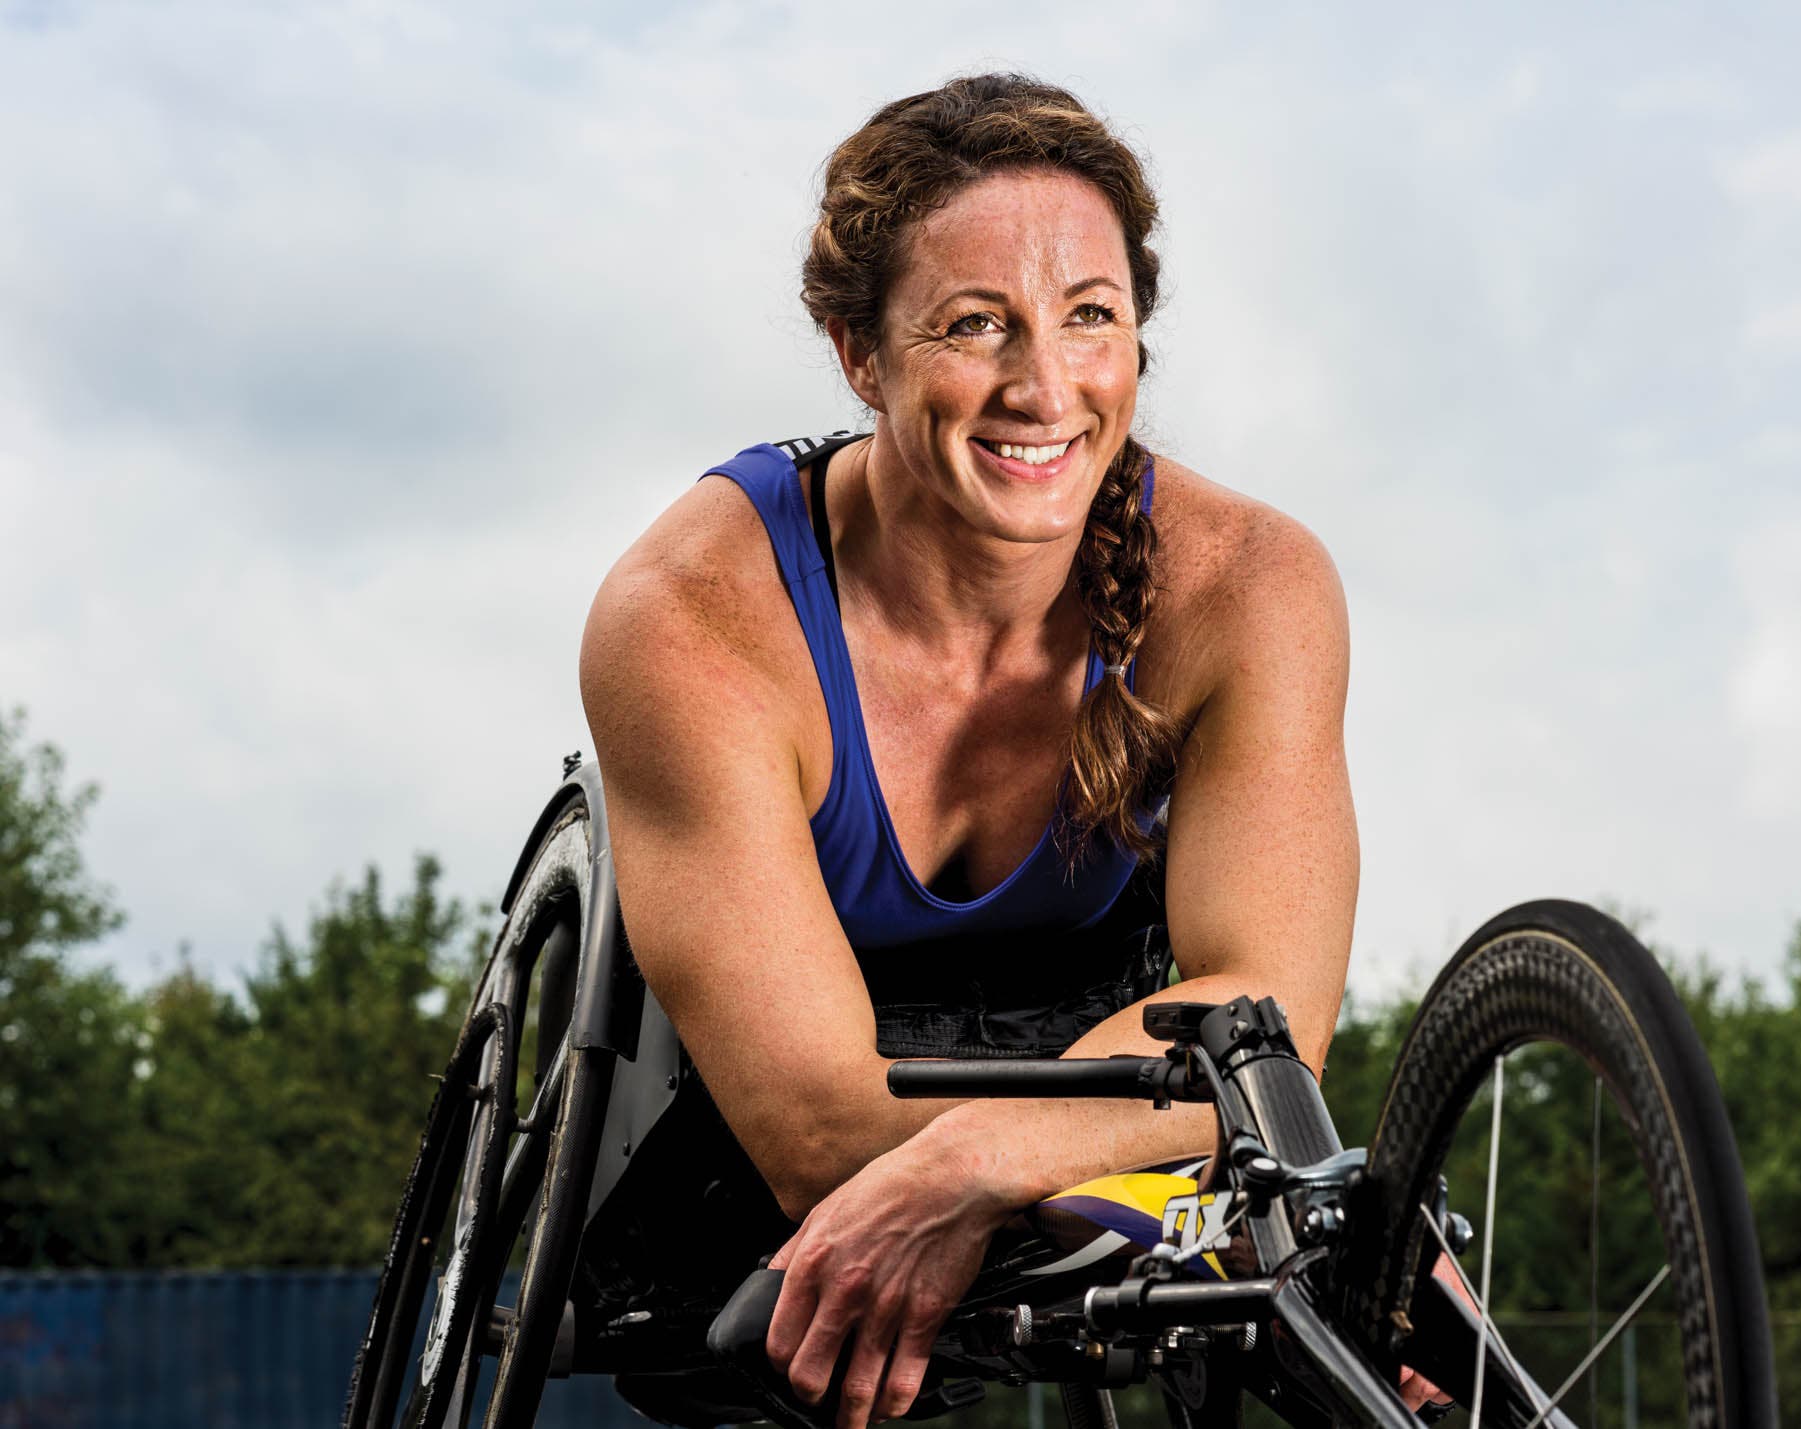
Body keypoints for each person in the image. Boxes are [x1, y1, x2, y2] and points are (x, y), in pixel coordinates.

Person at [580, 73, 1440, 1425]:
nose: (1045, 388)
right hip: (791, 1088)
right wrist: (1151, 1160)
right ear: (859, 352)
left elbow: (1267, 1020)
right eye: (977, 327)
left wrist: (999, 1151)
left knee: (1358, 1284)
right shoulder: (692, 620)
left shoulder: (1251, 587)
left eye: (1090, 318)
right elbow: (819, 1135)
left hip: (1096, 1027)